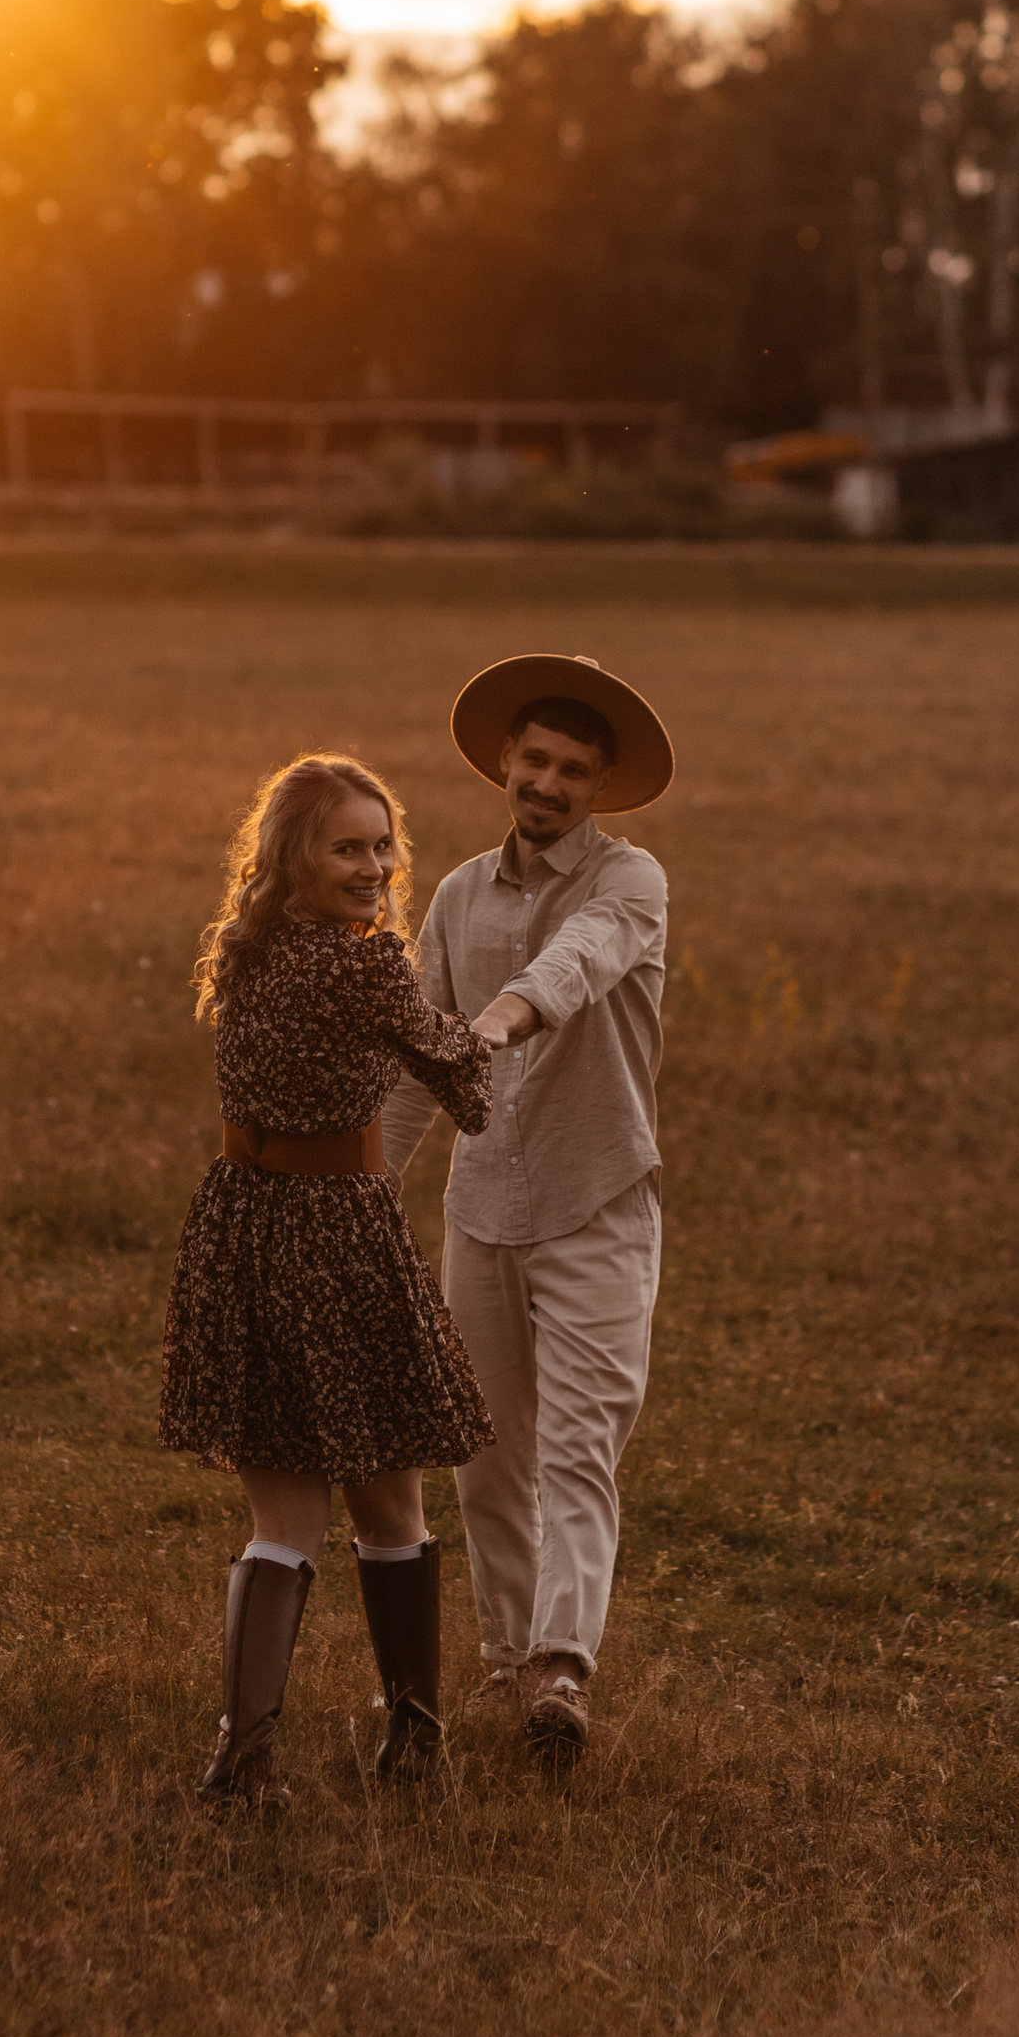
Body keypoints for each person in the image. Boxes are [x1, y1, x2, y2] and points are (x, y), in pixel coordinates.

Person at [159, 753, 495, 1805]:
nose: (374, 866)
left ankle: (243, 1759)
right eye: (345, 847)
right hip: (338, 1237)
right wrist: (493, 1027)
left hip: (245, 1228)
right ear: (291, 857)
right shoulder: (364, 964)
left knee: (283, 1519)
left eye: (382, 844)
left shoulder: (246, 951)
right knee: (391, 1502)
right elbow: (464, 1079)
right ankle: (415, 1745)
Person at [379, 652, 675, 1764]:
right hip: (484, 1208)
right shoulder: (456, 894)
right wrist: (363, 1189)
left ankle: (563, 1664)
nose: (547, 785)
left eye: (573, 772)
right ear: (505, 761)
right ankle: (512, 1664)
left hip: (598, 1199)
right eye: (534, 762)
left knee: (580, 1442)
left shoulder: (628, 884)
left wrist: (494, 1023)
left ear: (599, 788)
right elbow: (415, 1067)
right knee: (485, 1450)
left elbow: (575, 964)